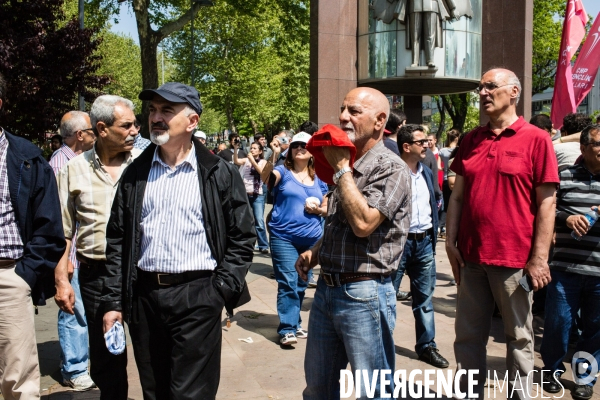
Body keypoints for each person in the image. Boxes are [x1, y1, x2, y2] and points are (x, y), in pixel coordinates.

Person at [102, 82, 255, 399]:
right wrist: (114, 303)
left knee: (190, 394)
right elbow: (117, 241)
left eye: (166, 110)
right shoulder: (136, 174)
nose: (155, 117)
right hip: (145, 299)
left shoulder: (219, 173)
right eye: (153, 110)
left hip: (198, 296)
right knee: (155, 391)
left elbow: (242, 237)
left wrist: (220, 290)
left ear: (192, 121)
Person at [446, 68, 559, 398]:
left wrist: (539, 259)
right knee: (467, 335)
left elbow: (548, 203)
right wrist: (451, 242)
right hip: (471, 258)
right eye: (480, 86)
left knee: (519, 336)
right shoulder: (471, 139)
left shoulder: (536, 139)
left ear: (513, 92)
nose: (482, 92)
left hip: (515, 262)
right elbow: (457, 195)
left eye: (489, 86)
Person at [295, 87, 411, 398]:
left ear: (379, 121)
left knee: (372, 391)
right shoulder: (346, 164)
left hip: (365, 294)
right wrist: (314, 253)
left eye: (354, 111)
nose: (344, 117)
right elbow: (339, 224)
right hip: (326, 292)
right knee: (318, 389)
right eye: (343, 110)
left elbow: (363, 224)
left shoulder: (391, 167)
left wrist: (342, 170)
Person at [55, 95, 141, 399]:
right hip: (96, 277)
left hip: (142, 274)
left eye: (135, 124)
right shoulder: (74, 169)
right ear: (102, 129)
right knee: (108, 358)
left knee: (153, 352)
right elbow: (64, 231)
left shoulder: (144, 167)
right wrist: (63, 280)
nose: (135, 131)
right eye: (127, 125)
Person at [0, 71, 66, 400]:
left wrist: (24, 276)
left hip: (8, 279)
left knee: (17, 379)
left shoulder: (27, 158)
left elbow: (50, 226)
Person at [540, 124, 600, 400]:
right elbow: (547, 208)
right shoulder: (564, 175)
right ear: (584, 148)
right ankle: (551, 370)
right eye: (599, 145)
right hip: (565, 268)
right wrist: (567, 218)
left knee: (595, 328)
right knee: (557, 323)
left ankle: (585, 377)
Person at [260, 132, 328, 345]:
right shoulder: (282, 171)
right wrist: (274, 154)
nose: (300, 148)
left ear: (312, 152)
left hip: (312, 239)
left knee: (301, 281)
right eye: (296, 145)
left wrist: (318, 210)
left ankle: (295, 322)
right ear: (290, 150)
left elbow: (327, 207)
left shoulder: (321, 177)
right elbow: (265, 179)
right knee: (288, 280)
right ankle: (287, 328)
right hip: (283, 237)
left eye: (305, 145)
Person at [395, 124, 449, 368]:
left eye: (427, 141)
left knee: (425, 300)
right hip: (398, 245)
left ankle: (427, 346)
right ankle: (379, 346)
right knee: (386, 299)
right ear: (406, 147)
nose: (427, 144)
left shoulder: (426, 171)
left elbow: (436, 198)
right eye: (421, 142)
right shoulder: (393, 172)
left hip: (424, 243)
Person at [50, 111, 96, 391]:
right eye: (92, 129)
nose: (96, 133)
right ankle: (74, 369)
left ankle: (77, 362)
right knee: (72, 311)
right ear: (80, 134)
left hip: (78, 253)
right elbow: (57, 218)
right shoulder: (60, 164)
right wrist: (63, 261)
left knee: (79, 311)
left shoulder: (75, 161)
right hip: (70, 256)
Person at [233, 141, 269, 254]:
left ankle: (263, 245)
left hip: (258, 195)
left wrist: (252, 161)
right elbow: (236, 161)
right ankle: (247, 244)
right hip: (246, 194)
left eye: (254, 148)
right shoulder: (246, 160)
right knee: (245, 220)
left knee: (259, 220)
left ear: (260, 151)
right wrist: (235, 149)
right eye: (251, 148)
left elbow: (262, 172)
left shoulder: (263, 162)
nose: (252, 150)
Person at [438, 128, 460, 239]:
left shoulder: (442, 151)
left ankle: (441, 227)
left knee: (446, 206)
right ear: (457, 138)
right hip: (457, 180)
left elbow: (438, 167)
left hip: (446, 179)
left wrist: (445, 169)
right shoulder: (459, 150)